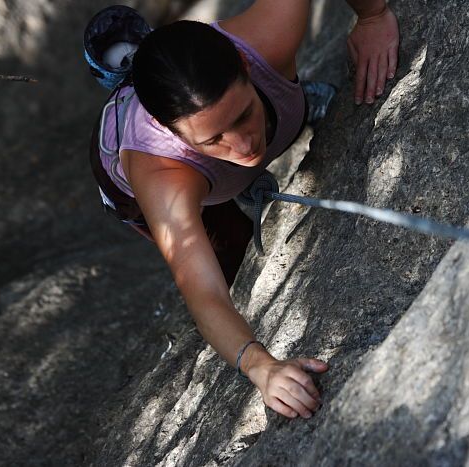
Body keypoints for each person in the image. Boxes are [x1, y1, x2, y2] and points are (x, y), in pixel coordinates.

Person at [88, 0, 399, 420]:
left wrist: (373, 16)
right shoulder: (163, 175)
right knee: (227, 257)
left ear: (243, 63)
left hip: (239, 107)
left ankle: (285, 104)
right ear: (173, 133)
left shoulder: (265, 39)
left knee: (281, 118)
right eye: (215, 139)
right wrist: (261, 366)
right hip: (141, 182)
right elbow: (206, 294)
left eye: (242, 115)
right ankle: (252, 130)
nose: (244, 145)